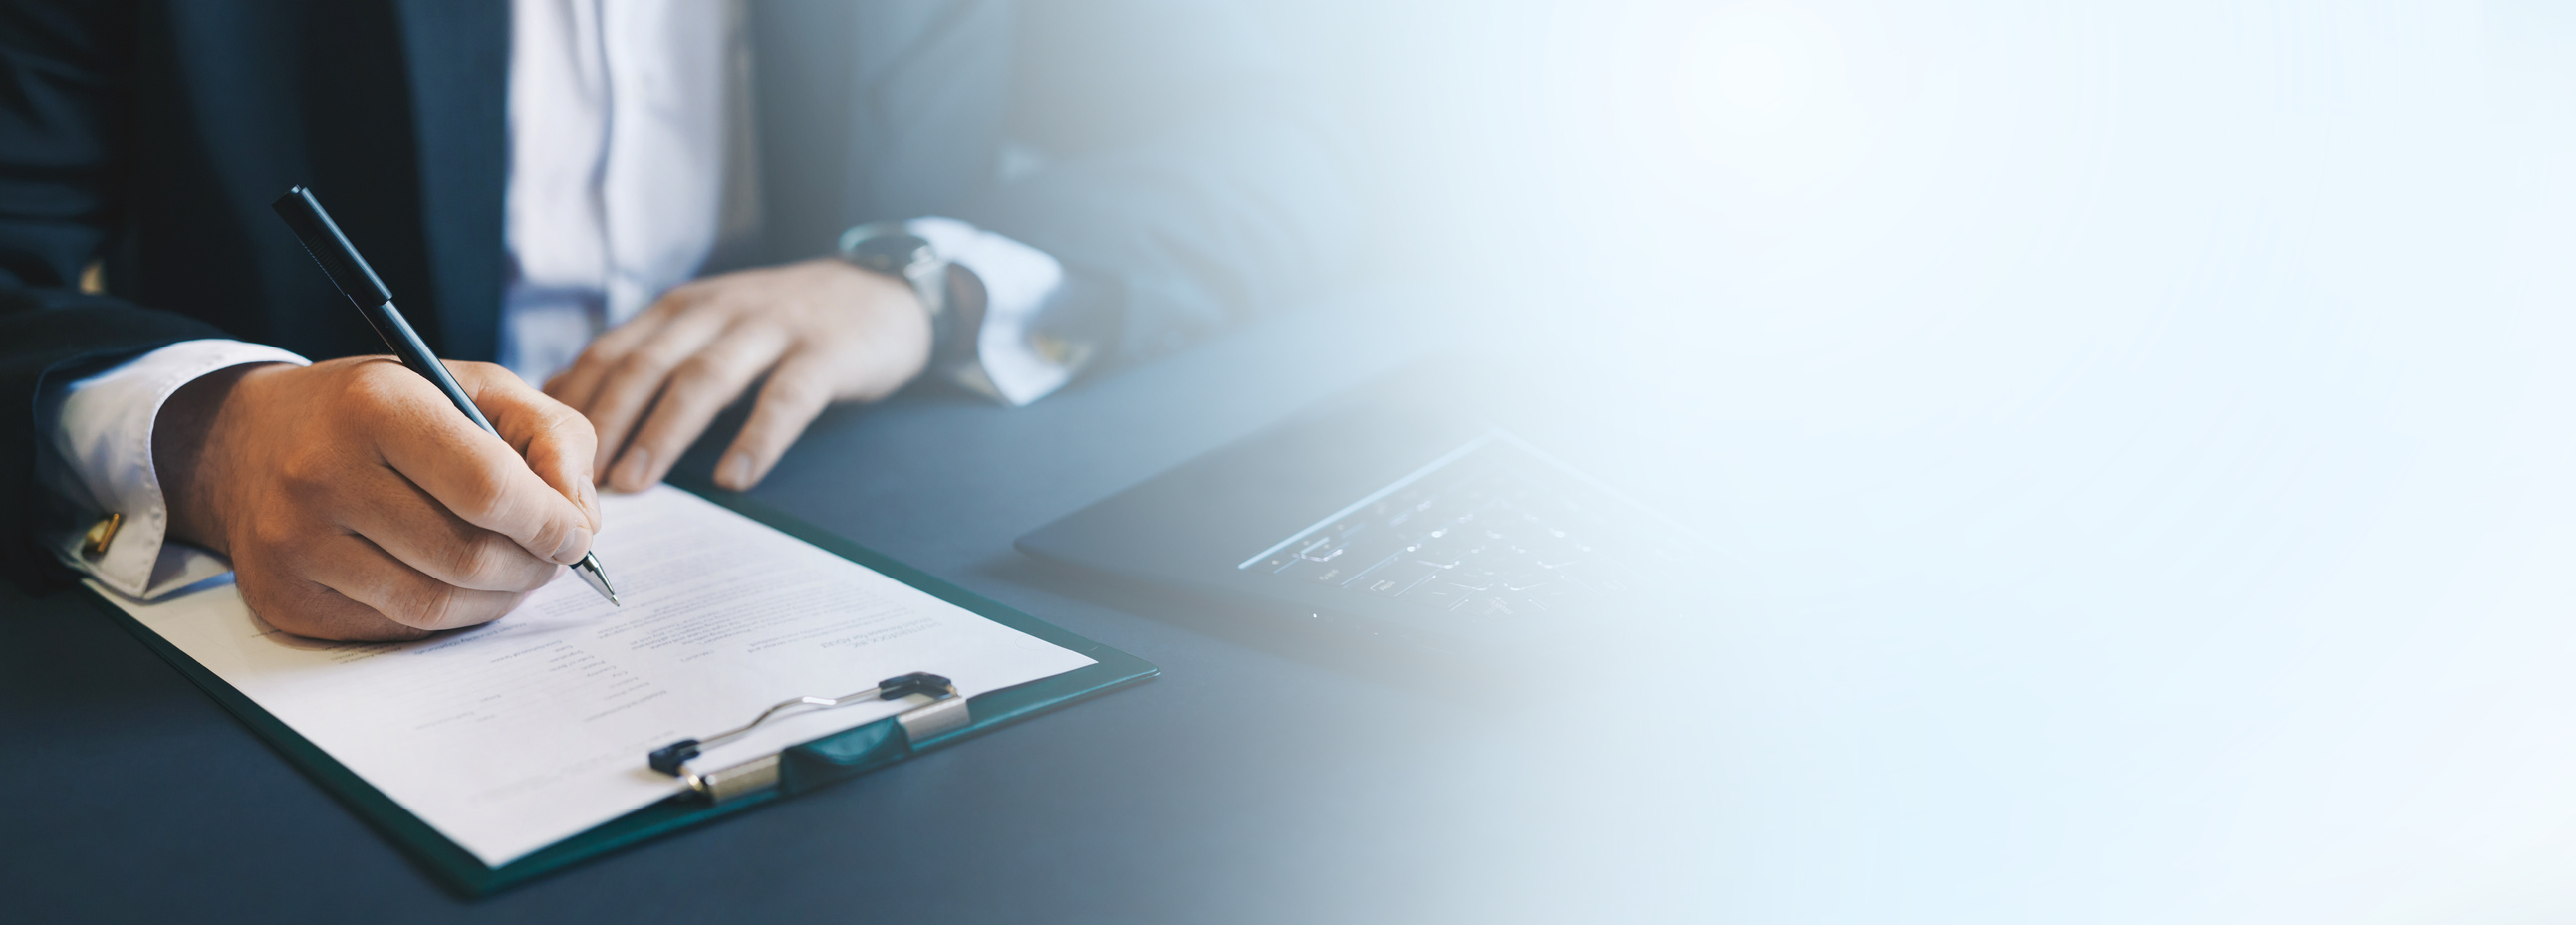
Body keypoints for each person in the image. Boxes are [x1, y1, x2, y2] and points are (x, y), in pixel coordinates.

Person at [0, 0, 1353, 640]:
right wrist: (206, 439)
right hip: (287, 661)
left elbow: (1301, 141)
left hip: (894, 571)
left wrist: (913, 285)